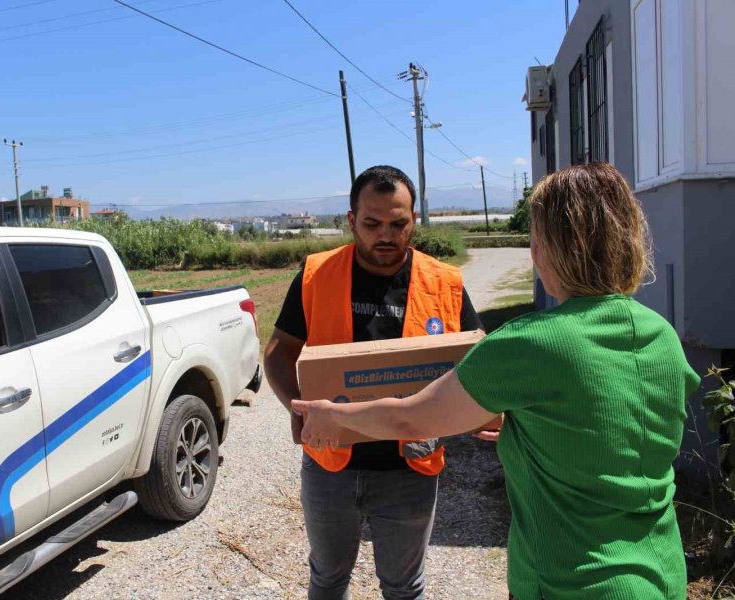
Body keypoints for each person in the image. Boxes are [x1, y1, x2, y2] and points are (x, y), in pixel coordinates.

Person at [293, 162, 701, 600]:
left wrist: (334, 418)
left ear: (546, 250)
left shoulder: (532, 343)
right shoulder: (662, 337)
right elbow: (609, 425)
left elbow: (414, 420)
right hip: (661, 574)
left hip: (572, 582)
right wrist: (531, 425)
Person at [264, 165, 485, 600]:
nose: (385, 235)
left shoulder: (445, 283)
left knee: (404, 587)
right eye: (372, 223)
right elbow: (278, 351)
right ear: (351, 220)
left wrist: (480, 411)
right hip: (331, 463)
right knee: (327, 578)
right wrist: (296, 407)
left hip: (410, 466)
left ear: (414, 221)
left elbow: (477, 360)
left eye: (398, 224)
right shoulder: (316, 275)